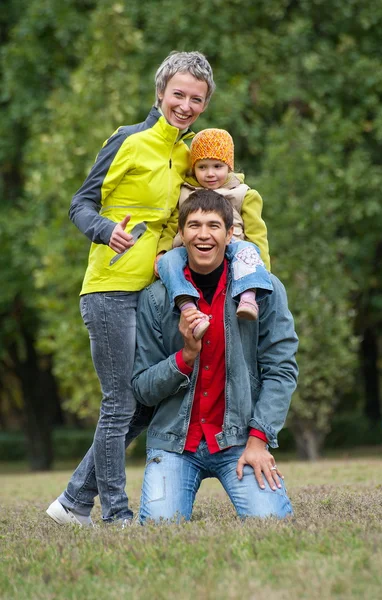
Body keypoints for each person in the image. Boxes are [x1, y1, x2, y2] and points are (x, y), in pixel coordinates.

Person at [46, 51, 215, 527]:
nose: (185, 104)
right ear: (160, 92)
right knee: (120, 402)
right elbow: (81, 203)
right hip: (109, 287)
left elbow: (214, 188)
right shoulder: (128, 140)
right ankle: (115, 513)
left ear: (203, 106)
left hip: (152, 293)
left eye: (195, 99)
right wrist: (105, 230)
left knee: (142, 401)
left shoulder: (187, 153)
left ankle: (74, 500)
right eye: (178, 94)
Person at [132, 189, 299, 523]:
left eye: (213, 225)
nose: (203, 234)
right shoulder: (154, 298)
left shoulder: (264, 291)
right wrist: (185, 357)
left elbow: (281, 371)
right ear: (181, 235)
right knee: (159, 529)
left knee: (270, 524)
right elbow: (142, 388)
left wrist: (258, 440)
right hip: (174, 443)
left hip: (240, 440)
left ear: (230, 233)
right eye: (194, 225)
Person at [157, 128, 272, 340]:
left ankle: (248, 296)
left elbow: (257, 233)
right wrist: (162, 251)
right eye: (202, 167)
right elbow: (172, 225)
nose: (210, 174)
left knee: (247, 250)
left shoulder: (243, 194)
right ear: (194, 168)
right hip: (190, 250)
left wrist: (263, 267)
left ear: (229, 166)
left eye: (217, 166)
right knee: (169, 261)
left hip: (234, 247)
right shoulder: (184, 193)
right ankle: (188, 306)